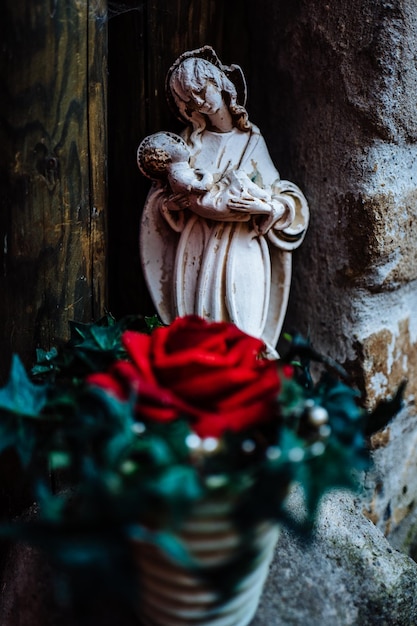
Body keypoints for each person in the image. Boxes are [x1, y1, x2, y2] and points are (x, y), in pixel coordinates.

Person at [139, 46, 309, 354]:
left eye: (202, 91)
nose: (201, 104)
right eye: (190, 101)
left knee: (245, 331)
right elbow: (164, 201)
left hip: (243, 246)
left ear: (221, 84)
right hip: (199, 246)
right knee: (201, 337)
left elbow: (281, 198)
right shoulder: (187, 147)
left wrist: (265, 208)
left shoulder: (251, 143)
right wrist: (176, 204)